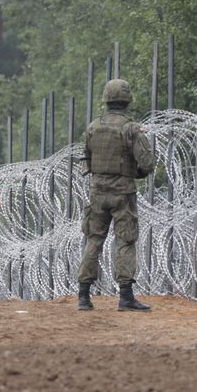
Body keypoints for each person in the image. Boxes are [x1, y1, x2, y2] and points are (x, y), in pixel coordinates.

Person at [76, 79, 155, 312]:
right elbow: (147, 163)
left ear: (106, 99)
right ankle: (126, 297)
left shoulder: (93, 127)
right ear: (127, 100)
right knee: (125, 241)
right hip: (123, 192)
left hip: (97, 192)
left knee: (93, 239)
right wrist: (136, 173)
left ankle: (83, 296)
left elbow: (85, 158)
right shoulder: (131, 128)